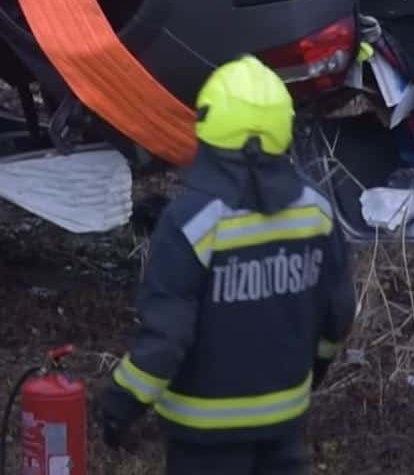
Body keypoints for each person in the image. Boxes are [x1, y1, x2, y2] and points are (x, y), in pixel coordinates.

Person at [97, 54, 356, 475]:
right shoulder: (317, 213)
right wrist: (316, 369)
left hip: (202, 436)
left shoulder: (191, 223)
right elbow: (339, 314)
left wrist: (119, 405)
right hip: (284, 422)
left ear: (207, 125)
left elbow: (167, 338)